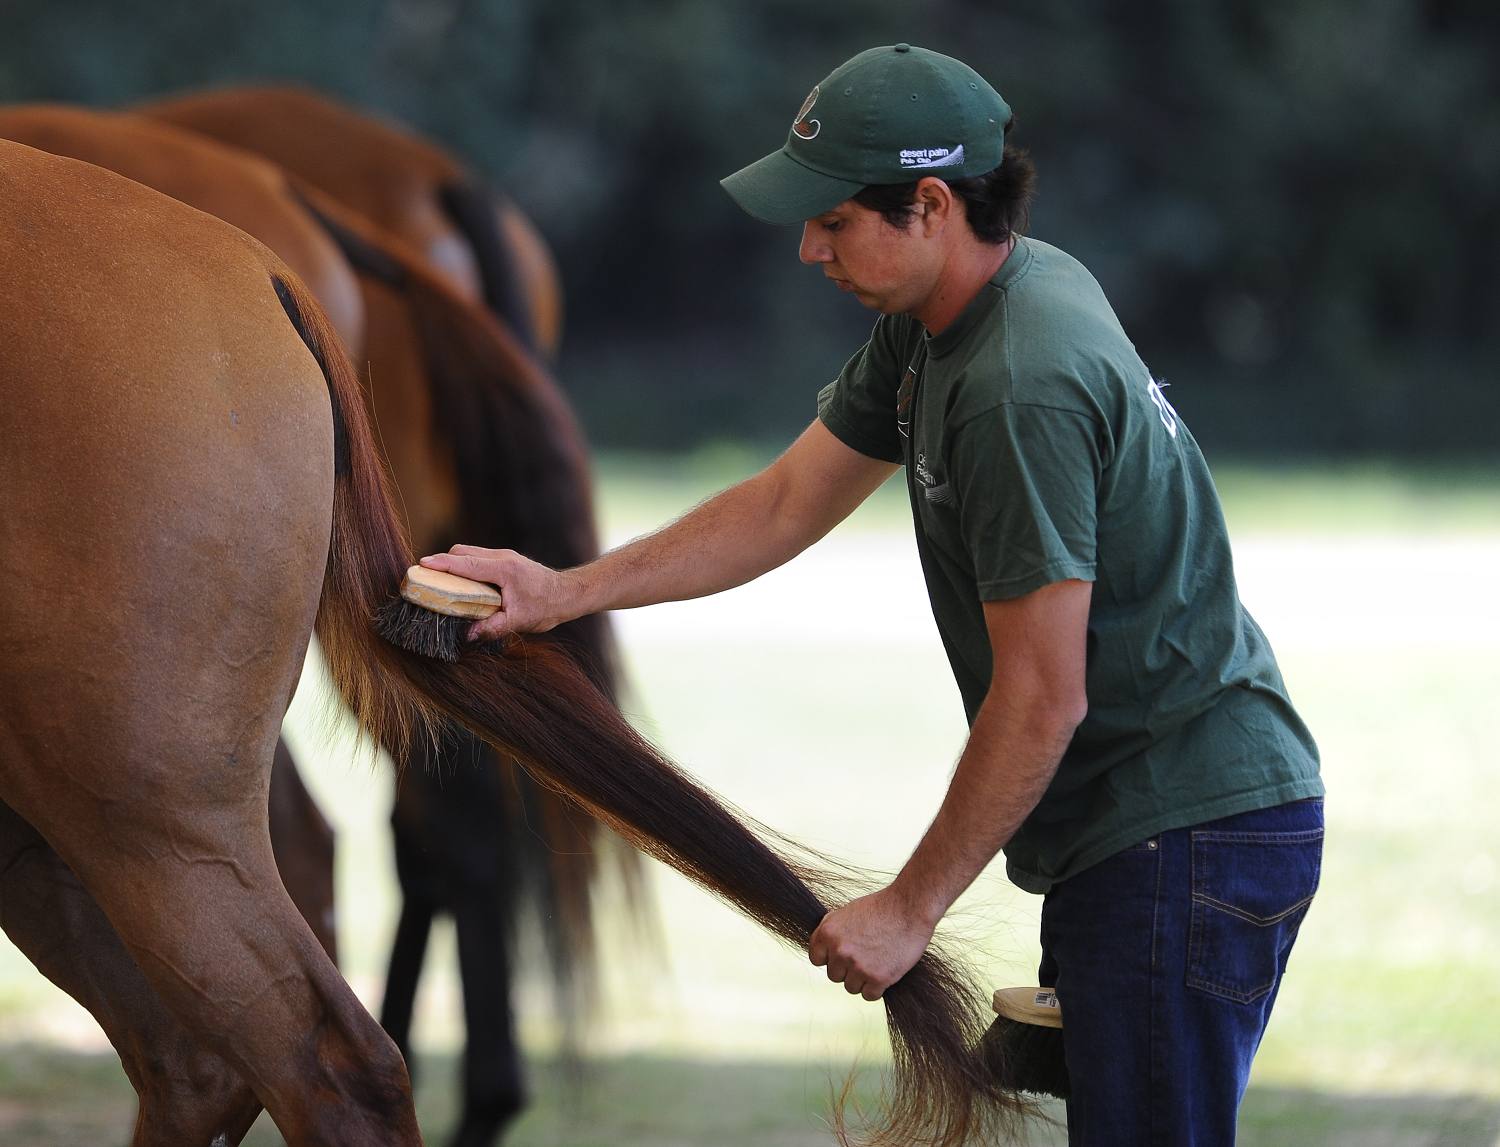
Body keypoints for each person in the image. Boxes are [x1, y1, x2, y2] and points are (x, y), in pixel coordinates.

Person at [422, 44, 1325, 1145]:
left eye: (834, 220)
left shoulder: (1016, 385)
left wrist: (909, 909)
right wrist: (565, 591)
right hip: (1162, 832)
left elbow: (1043, 699)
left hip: (1187, 837)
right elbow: (785, 500)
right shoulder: (948, 319)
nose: (808, 249)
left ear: (932, 205)